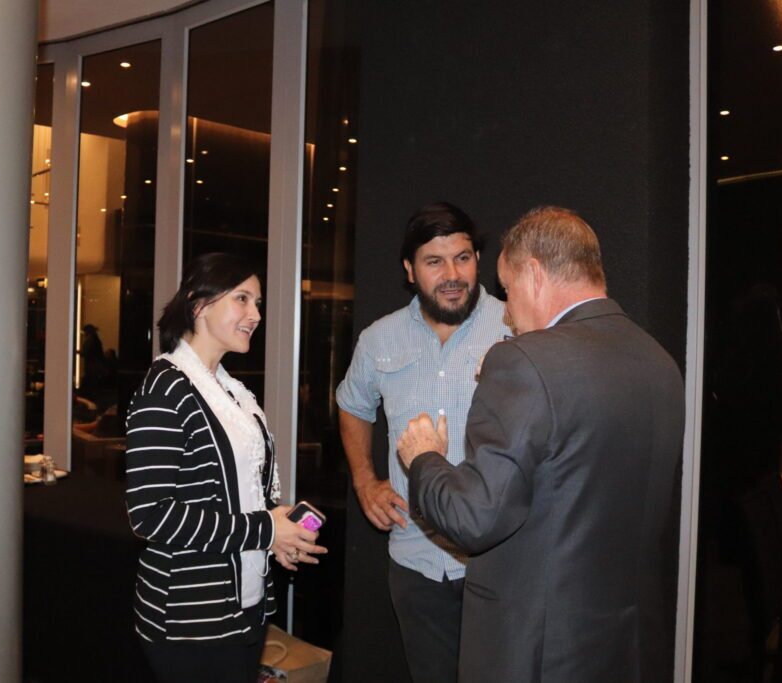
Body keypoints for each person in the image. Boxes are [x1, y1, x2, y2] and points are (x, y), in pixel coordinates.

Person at [397, 206, 684, 683]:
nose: (507, 312)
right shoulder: (659, 361)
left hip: (538, 653)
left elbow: (474, 519)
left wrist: (424, 457)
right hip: (628, 649)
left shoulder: (523, 360)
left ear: (533, 274)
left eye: (507, 290)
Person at [125, 252, 326, 683]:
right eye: (242, 299)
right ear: (199, 304)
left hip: (243, 609)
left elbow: (241, 496)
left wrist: (279, 535)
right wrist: (266, 529)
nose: (256, 315)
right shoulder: (165, 389)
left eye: (257, 302)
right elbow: (150, 515)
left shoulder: (231, 392)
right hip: (189, 620)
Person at [336, 202, 510, 682]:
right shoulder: (379, 339)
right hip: (415, 561)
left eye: (463, 258)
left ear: (478, 260)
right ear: (410, 271)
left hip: (498, 563)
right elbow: (352, 405)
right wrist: (365, 482)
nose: (452, 275)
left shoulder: (515, 329)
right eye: (435, 262)